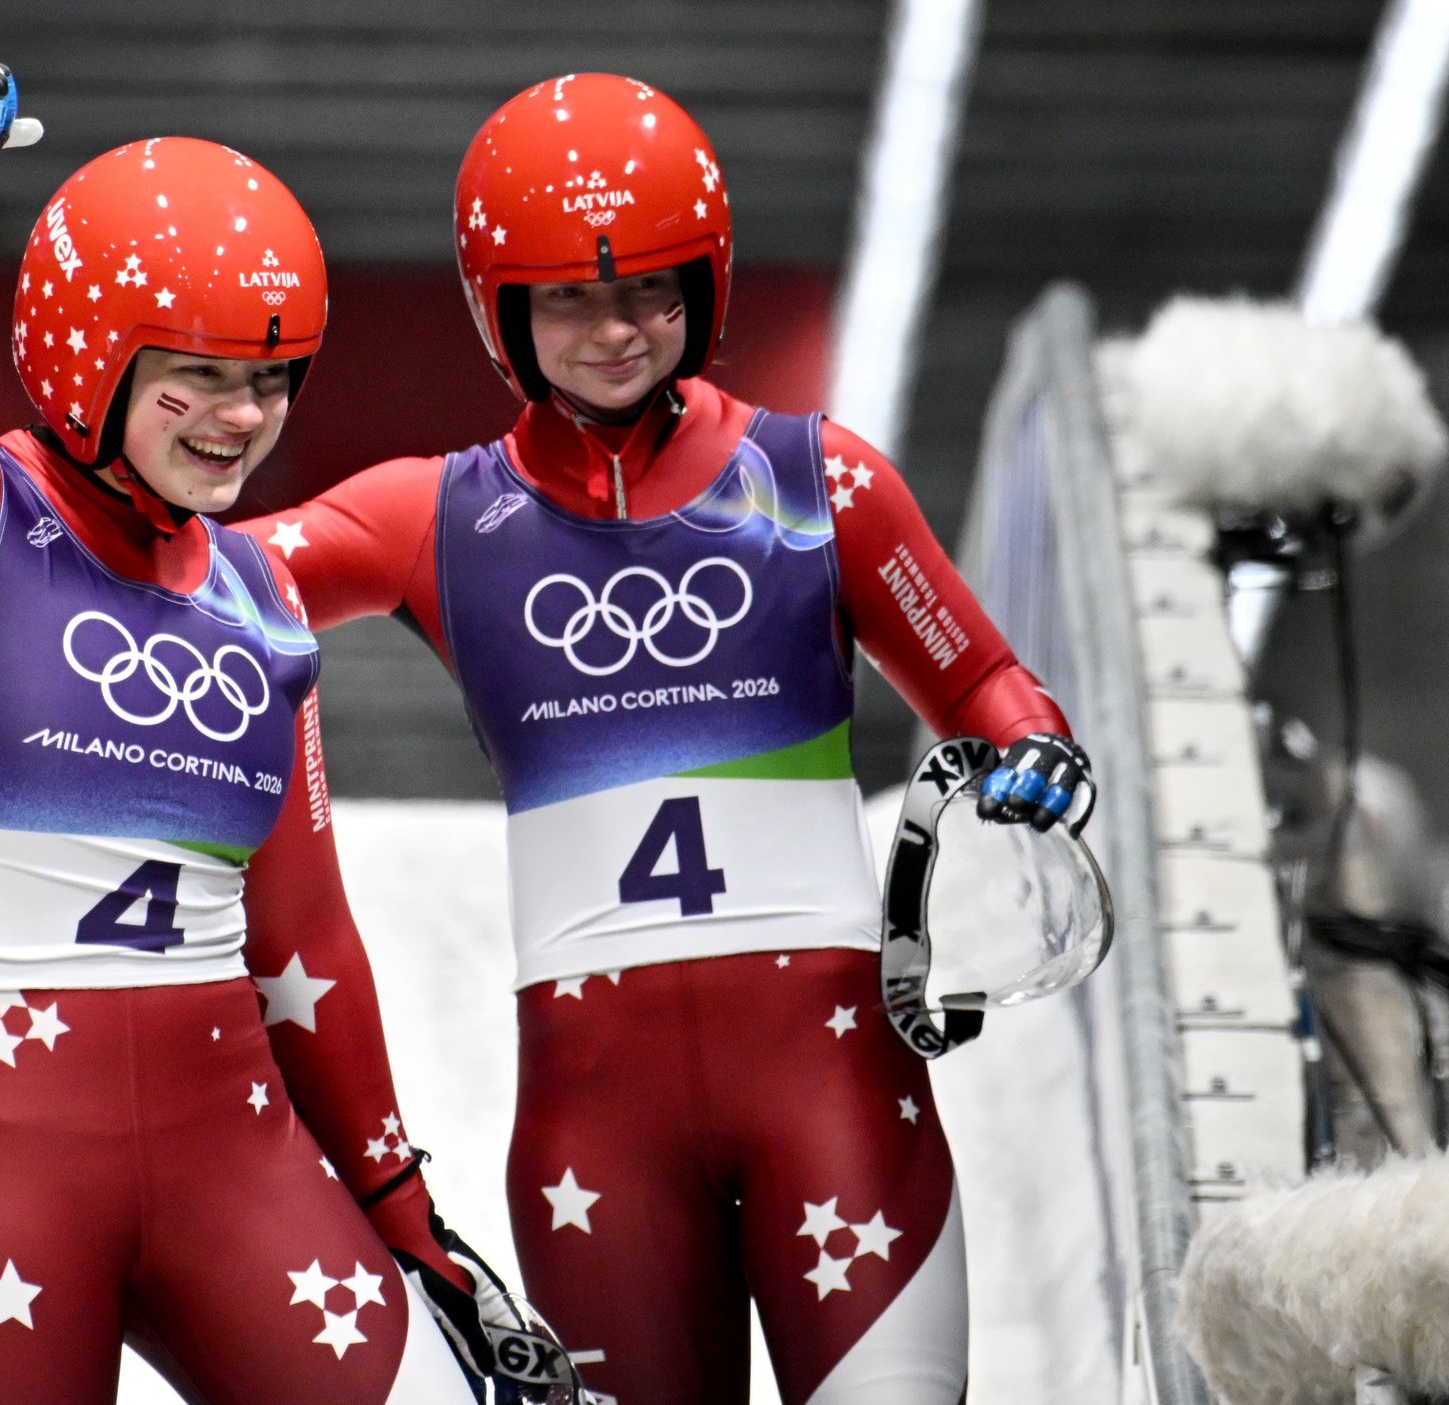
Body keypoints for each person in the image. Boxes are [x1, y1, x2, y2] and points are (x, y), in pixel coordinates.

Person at [243, 74, 1094, 1405]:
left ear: (707, 284)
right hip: (601, 1142)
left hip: (838, 1105)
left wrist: (1031, 750)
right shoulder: (437, 517)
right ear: (499, 310)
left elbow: (982, 676)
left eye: (649, 288)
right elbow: (218, 578)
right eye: (566, 296)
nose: (616, 329)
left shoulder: (827, 484)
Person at [0, 52, 510, 1405]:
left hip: (233, 1165)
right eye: (197, 375)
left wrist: (408, 1214)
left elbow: (302, 944)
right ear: (86, 353)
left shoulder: (264, 597)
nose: (242, 420)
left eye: (271, 377)